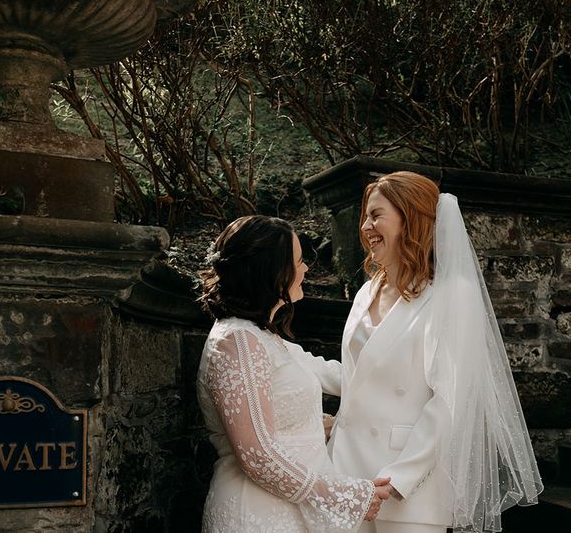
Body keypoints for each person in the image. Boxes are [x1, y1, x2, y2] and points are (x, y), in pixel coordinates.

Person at [328, 171, 543, 532]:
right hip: (347, 476)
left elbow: (450, 399)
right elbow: (359, 376)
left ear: (410, 219)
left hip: (409, 487)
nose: (365, 226)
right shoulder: (367, 292)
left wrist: (400, 477)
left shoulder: (452, 293)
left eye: (377, 215)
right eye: (366, 216)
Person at [197, 215, 391, 532]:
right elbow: (258, 456)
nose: (305, 269)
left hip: (290, 510)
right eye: (298, 262)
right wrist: (345, 495)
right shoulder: (237, 344)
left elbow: (340, 378)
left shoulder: (265, 338)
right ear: (271, 272)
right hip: (257, 513)